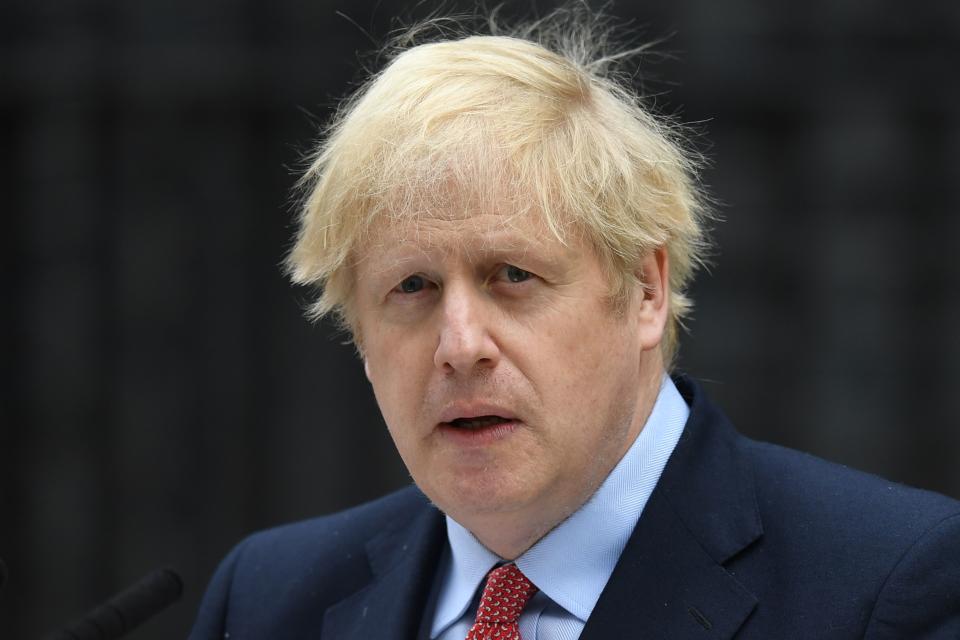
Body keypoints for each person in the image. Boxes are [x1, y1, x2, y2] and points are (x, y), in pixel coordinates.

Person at [189, 10, 960, 640]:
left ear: (647, 291)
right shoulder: (267, 599)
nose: (460, 346)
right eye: (413, 286)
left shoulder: (886, 585)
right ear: (359, 334)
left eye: (513, 277)